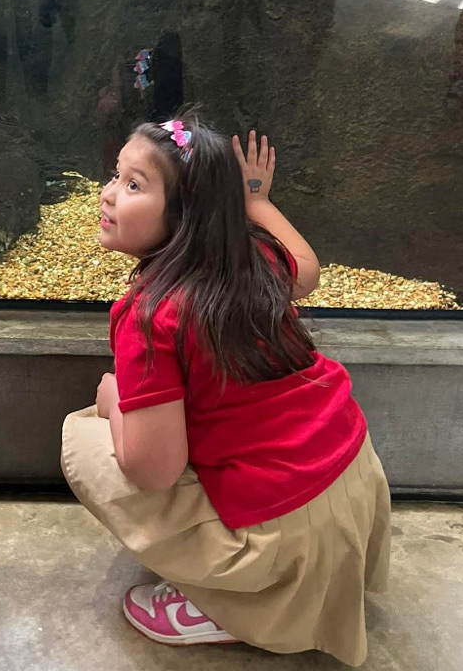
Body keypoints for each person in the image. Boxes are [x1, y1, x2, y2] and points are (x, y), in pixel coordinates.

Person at [62, 113, 391, 668]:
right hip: (354, 479)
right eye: (116, 175)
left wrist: (114, 401)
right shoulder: (253, 261)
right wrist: (256, 201)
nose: (109, 193)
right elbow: (307, 268)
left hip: (287, 528)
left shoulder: (147, 317)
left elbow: (154, 472)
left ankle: (230, 606)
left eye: (134, 184)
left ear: (187, 214)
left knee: (84, 435)